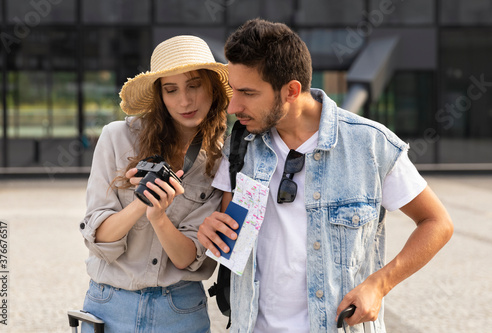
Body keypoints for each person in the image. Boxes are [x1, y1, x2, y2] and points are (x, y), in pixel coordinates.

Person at [198, 19, 454, 333]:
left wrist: (379, 284)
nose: (233, 105)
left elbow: (437, 223)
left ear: (291, 91)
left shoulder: (370, 145)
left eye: (248, 93)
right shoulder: (240, 144)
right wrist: (211, 228)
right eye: (233, 90)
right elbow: (229, 229)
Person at [79, 35, 231, 333]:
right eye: (171, 89)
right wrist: (141, 204)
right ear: (159, 95)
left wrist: (159, 218)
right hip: (110, 304)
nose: (184, 101)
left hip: (180, 309)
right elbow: (98, 241)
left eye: (194, 85)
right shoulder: (116, 138)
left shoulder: (222, 161)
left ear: (212, 86)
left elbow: (188, 258)